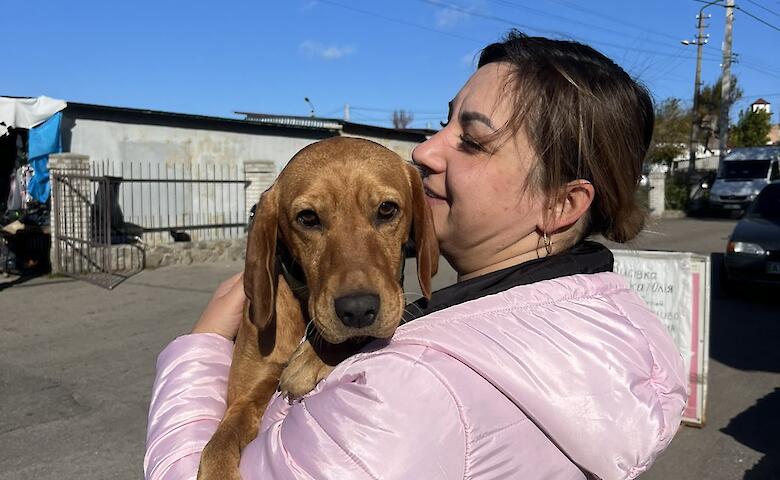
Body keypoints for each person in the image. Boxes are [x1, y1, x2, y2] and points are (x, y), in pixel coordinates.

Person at [144, 31, 687, 480]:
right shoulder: (611, 321)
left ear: (562, 202)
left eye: (471, 140)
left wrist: (201, 349)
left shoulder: (411, 389)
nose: (424, 151)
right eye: (443, 122)